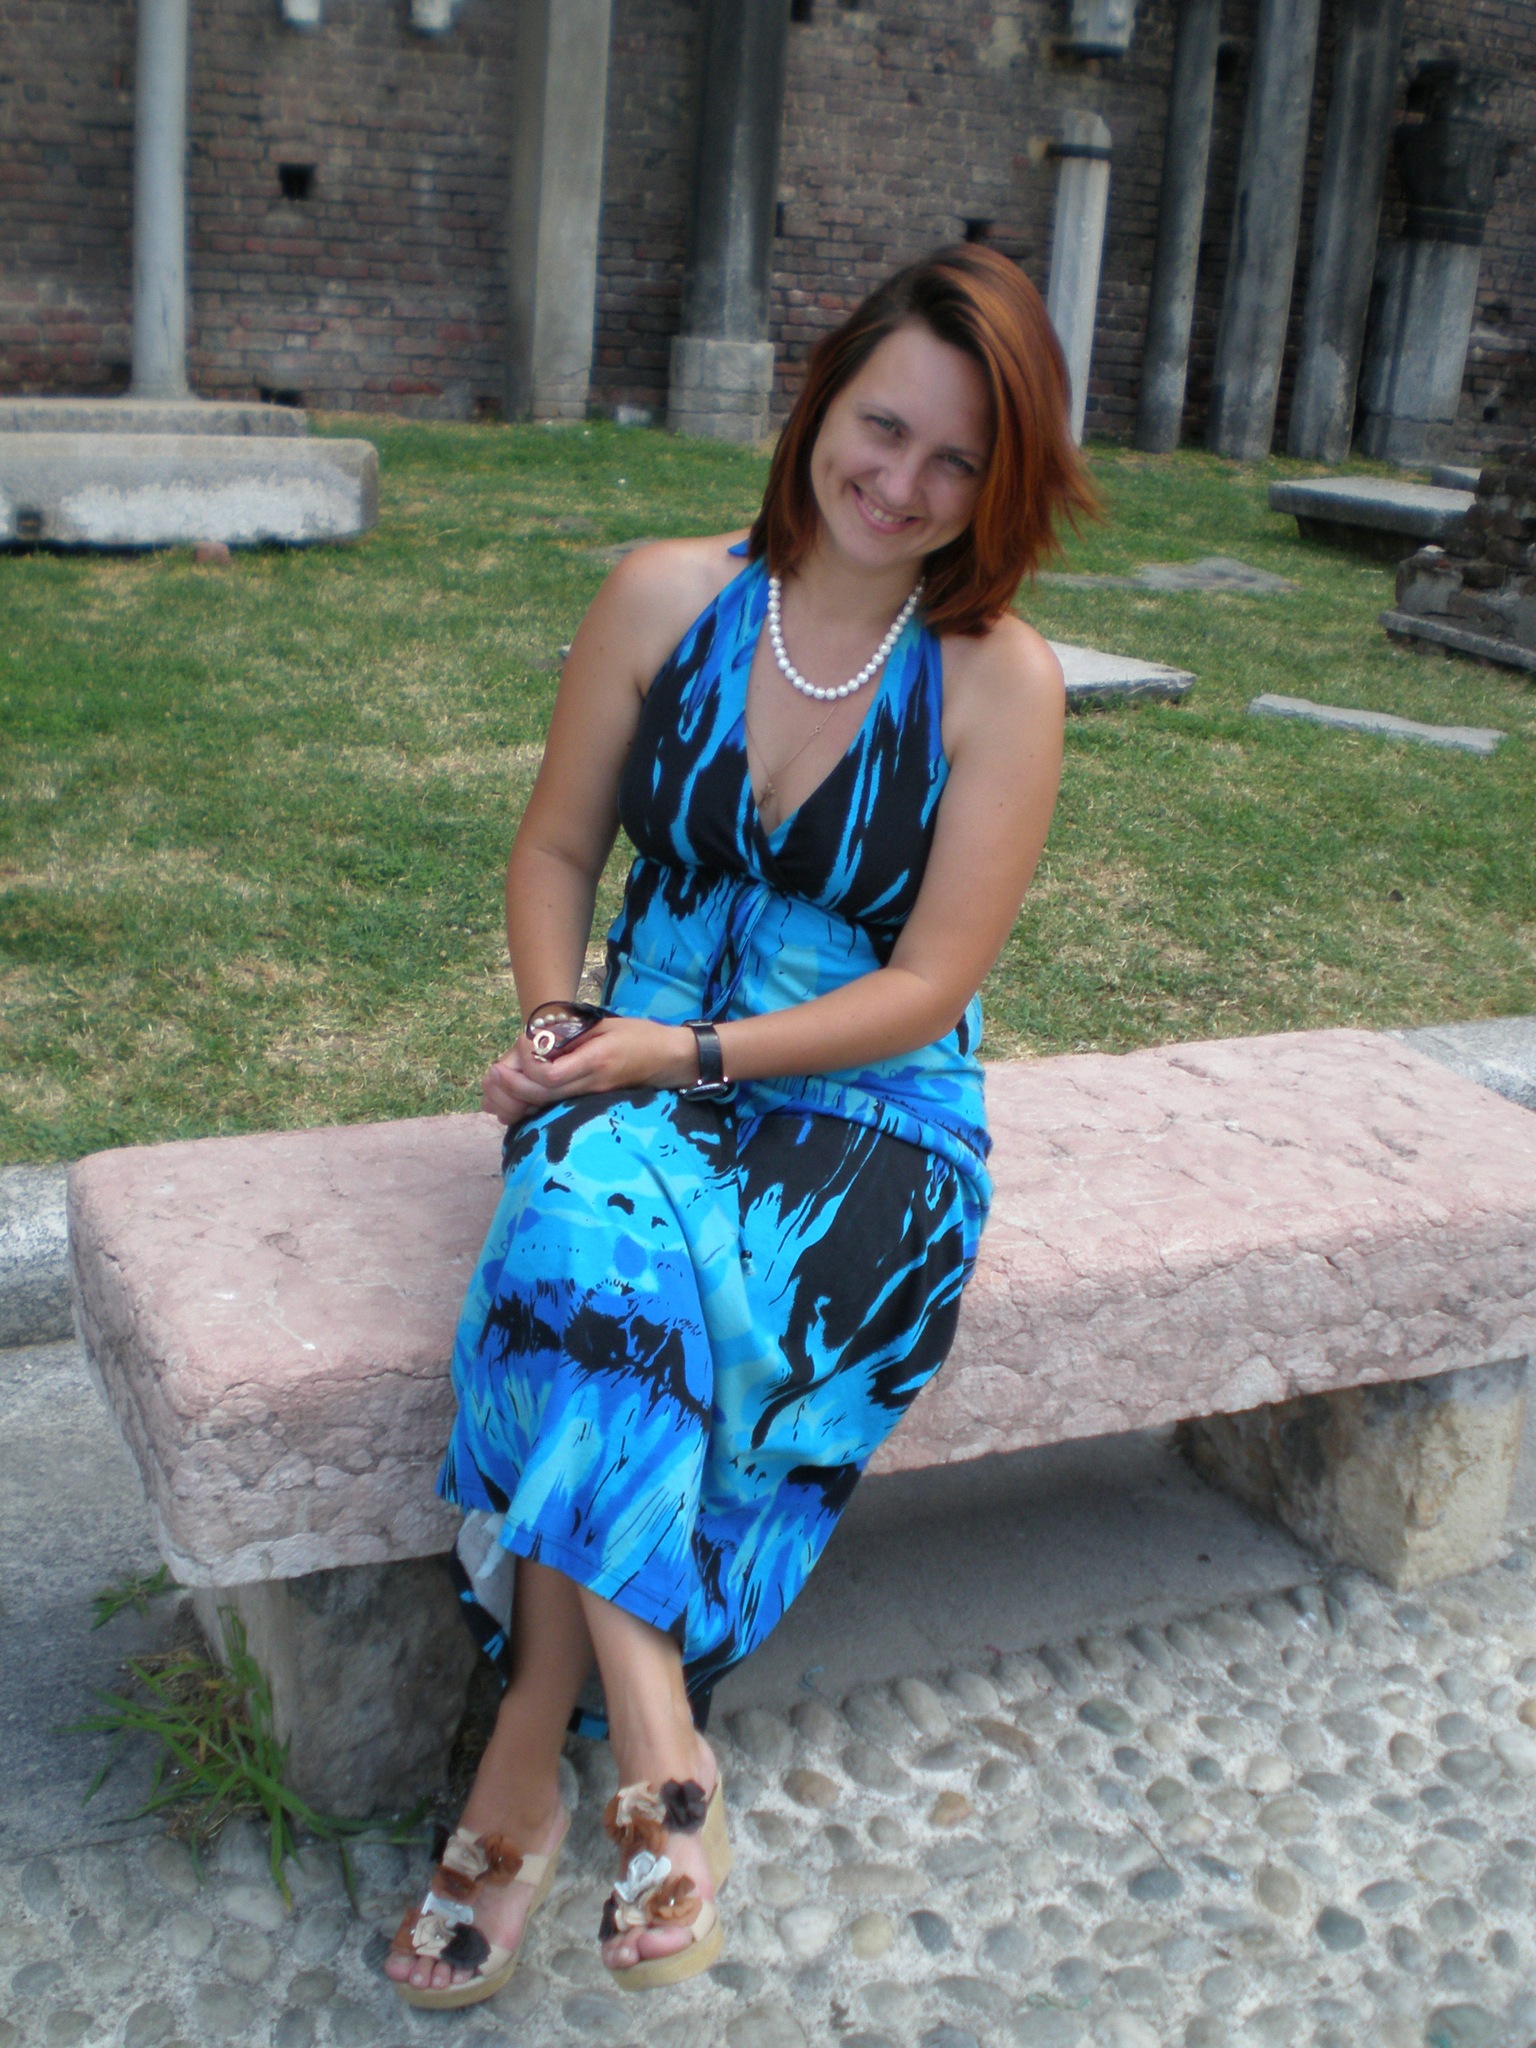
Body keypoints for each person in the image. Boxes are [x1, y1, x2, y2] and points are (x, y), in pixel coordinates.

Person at [385, 243, 1093, 2009]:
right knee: (590, 1222)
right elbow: (557, 851)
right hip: (630, 1066)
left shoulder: (1000, 681)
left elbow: (929, 987)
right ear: (820, 397)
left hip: (867, 1125)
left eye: (958, 462)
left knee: (589, 1250)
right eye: (883, 427)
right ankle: (657, 1747)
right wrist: (560, 1032)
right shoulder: (662, 596)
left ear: (1003, 485)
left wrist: (675, 1053)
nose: (902, 485)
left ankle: (524, 1758)